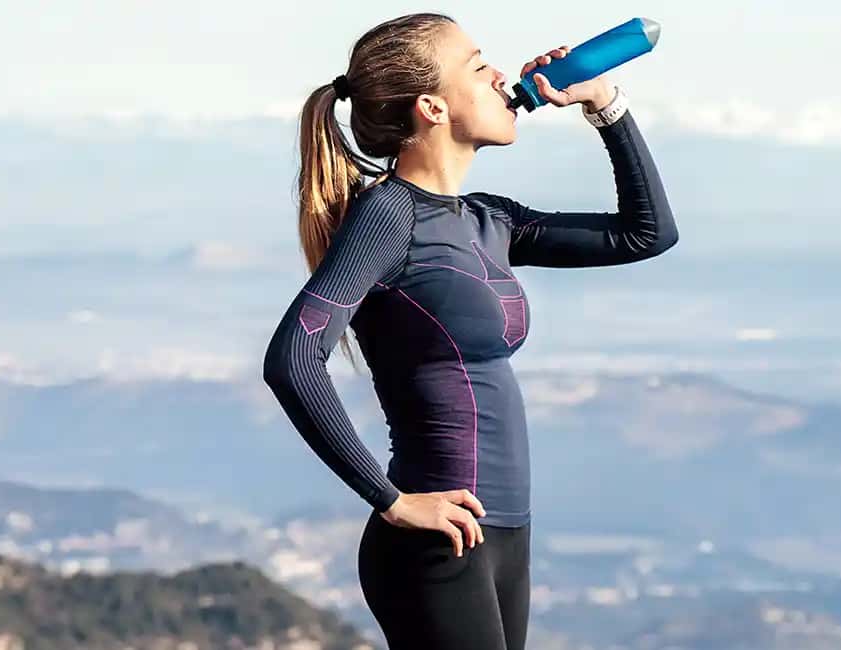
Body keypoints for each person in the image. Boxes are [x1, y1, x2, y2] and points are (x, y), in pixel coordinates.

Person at [260, 12, 677, 649]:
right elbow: (293, 357)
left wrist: (604, 103)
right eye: (479, 66)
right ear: (432, 106)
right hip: (434, 541)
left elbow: (644, 235)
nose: (502, 76)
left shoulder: (489, 220)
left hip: (505, 533)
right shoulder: (388, 216)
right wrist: (392, 499)